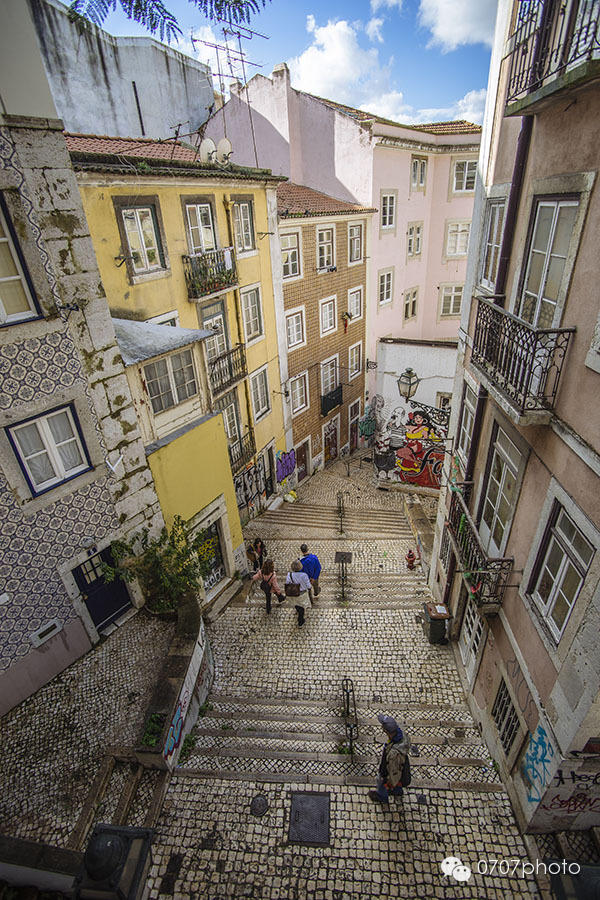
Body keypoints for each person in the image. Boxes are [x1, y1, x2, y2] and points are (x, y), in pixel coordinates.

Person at [369, 714, 411, 804]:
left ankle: (382, 797)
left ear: (387, 731)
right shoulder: (402, 735)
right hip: (402, 766)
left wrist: (388, 782)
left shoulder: (393, 755)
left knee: (381, 782)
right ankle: (397, 791)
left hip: (390, 770)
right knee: (397, 782)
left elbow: (393, 771)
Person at [286, 559, 313, 627]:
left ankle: (298, 610)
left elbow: (287, 583)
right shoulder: (304, 575)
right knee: (302, 607)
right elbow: (309, 586)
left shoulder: (290, 574)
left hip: (293, 593)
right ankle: (300, 621)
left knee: (296, 604)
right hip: (302, 594)